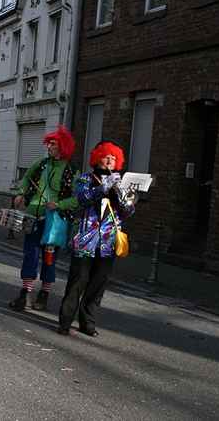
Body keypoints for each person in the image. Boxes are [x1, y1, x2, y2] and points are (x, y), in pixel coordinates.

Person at [58, 141, 135, 337]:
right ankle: (65, 322)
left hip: (108, 242)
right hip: (86, 239)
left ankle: (87, 323)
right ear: (97, 158)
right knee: (77, 282)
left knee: (98, 285)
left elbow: (128, 212)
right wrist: (101, 189)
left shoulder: (119, 183)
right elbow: (81, 199)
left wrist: (122, 194)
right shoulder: (85, 178)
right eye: (106, 156)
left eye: (114, 158)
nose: (110, 160)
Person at [9, 126, 78, 312]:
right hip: (34, 216)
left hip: (55, 221)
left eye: (53, 144)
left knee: (49, 259)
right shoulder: (41, 164)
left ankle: (44, 294)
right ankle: (25, 293)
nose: (49, 147)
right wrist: (21, 193)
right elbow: (26, 179)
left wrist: (59, 205)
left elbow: (77, 198)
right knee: (30, 255)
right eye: (49, 144)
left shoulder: (71, 170)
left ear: (63, 147)